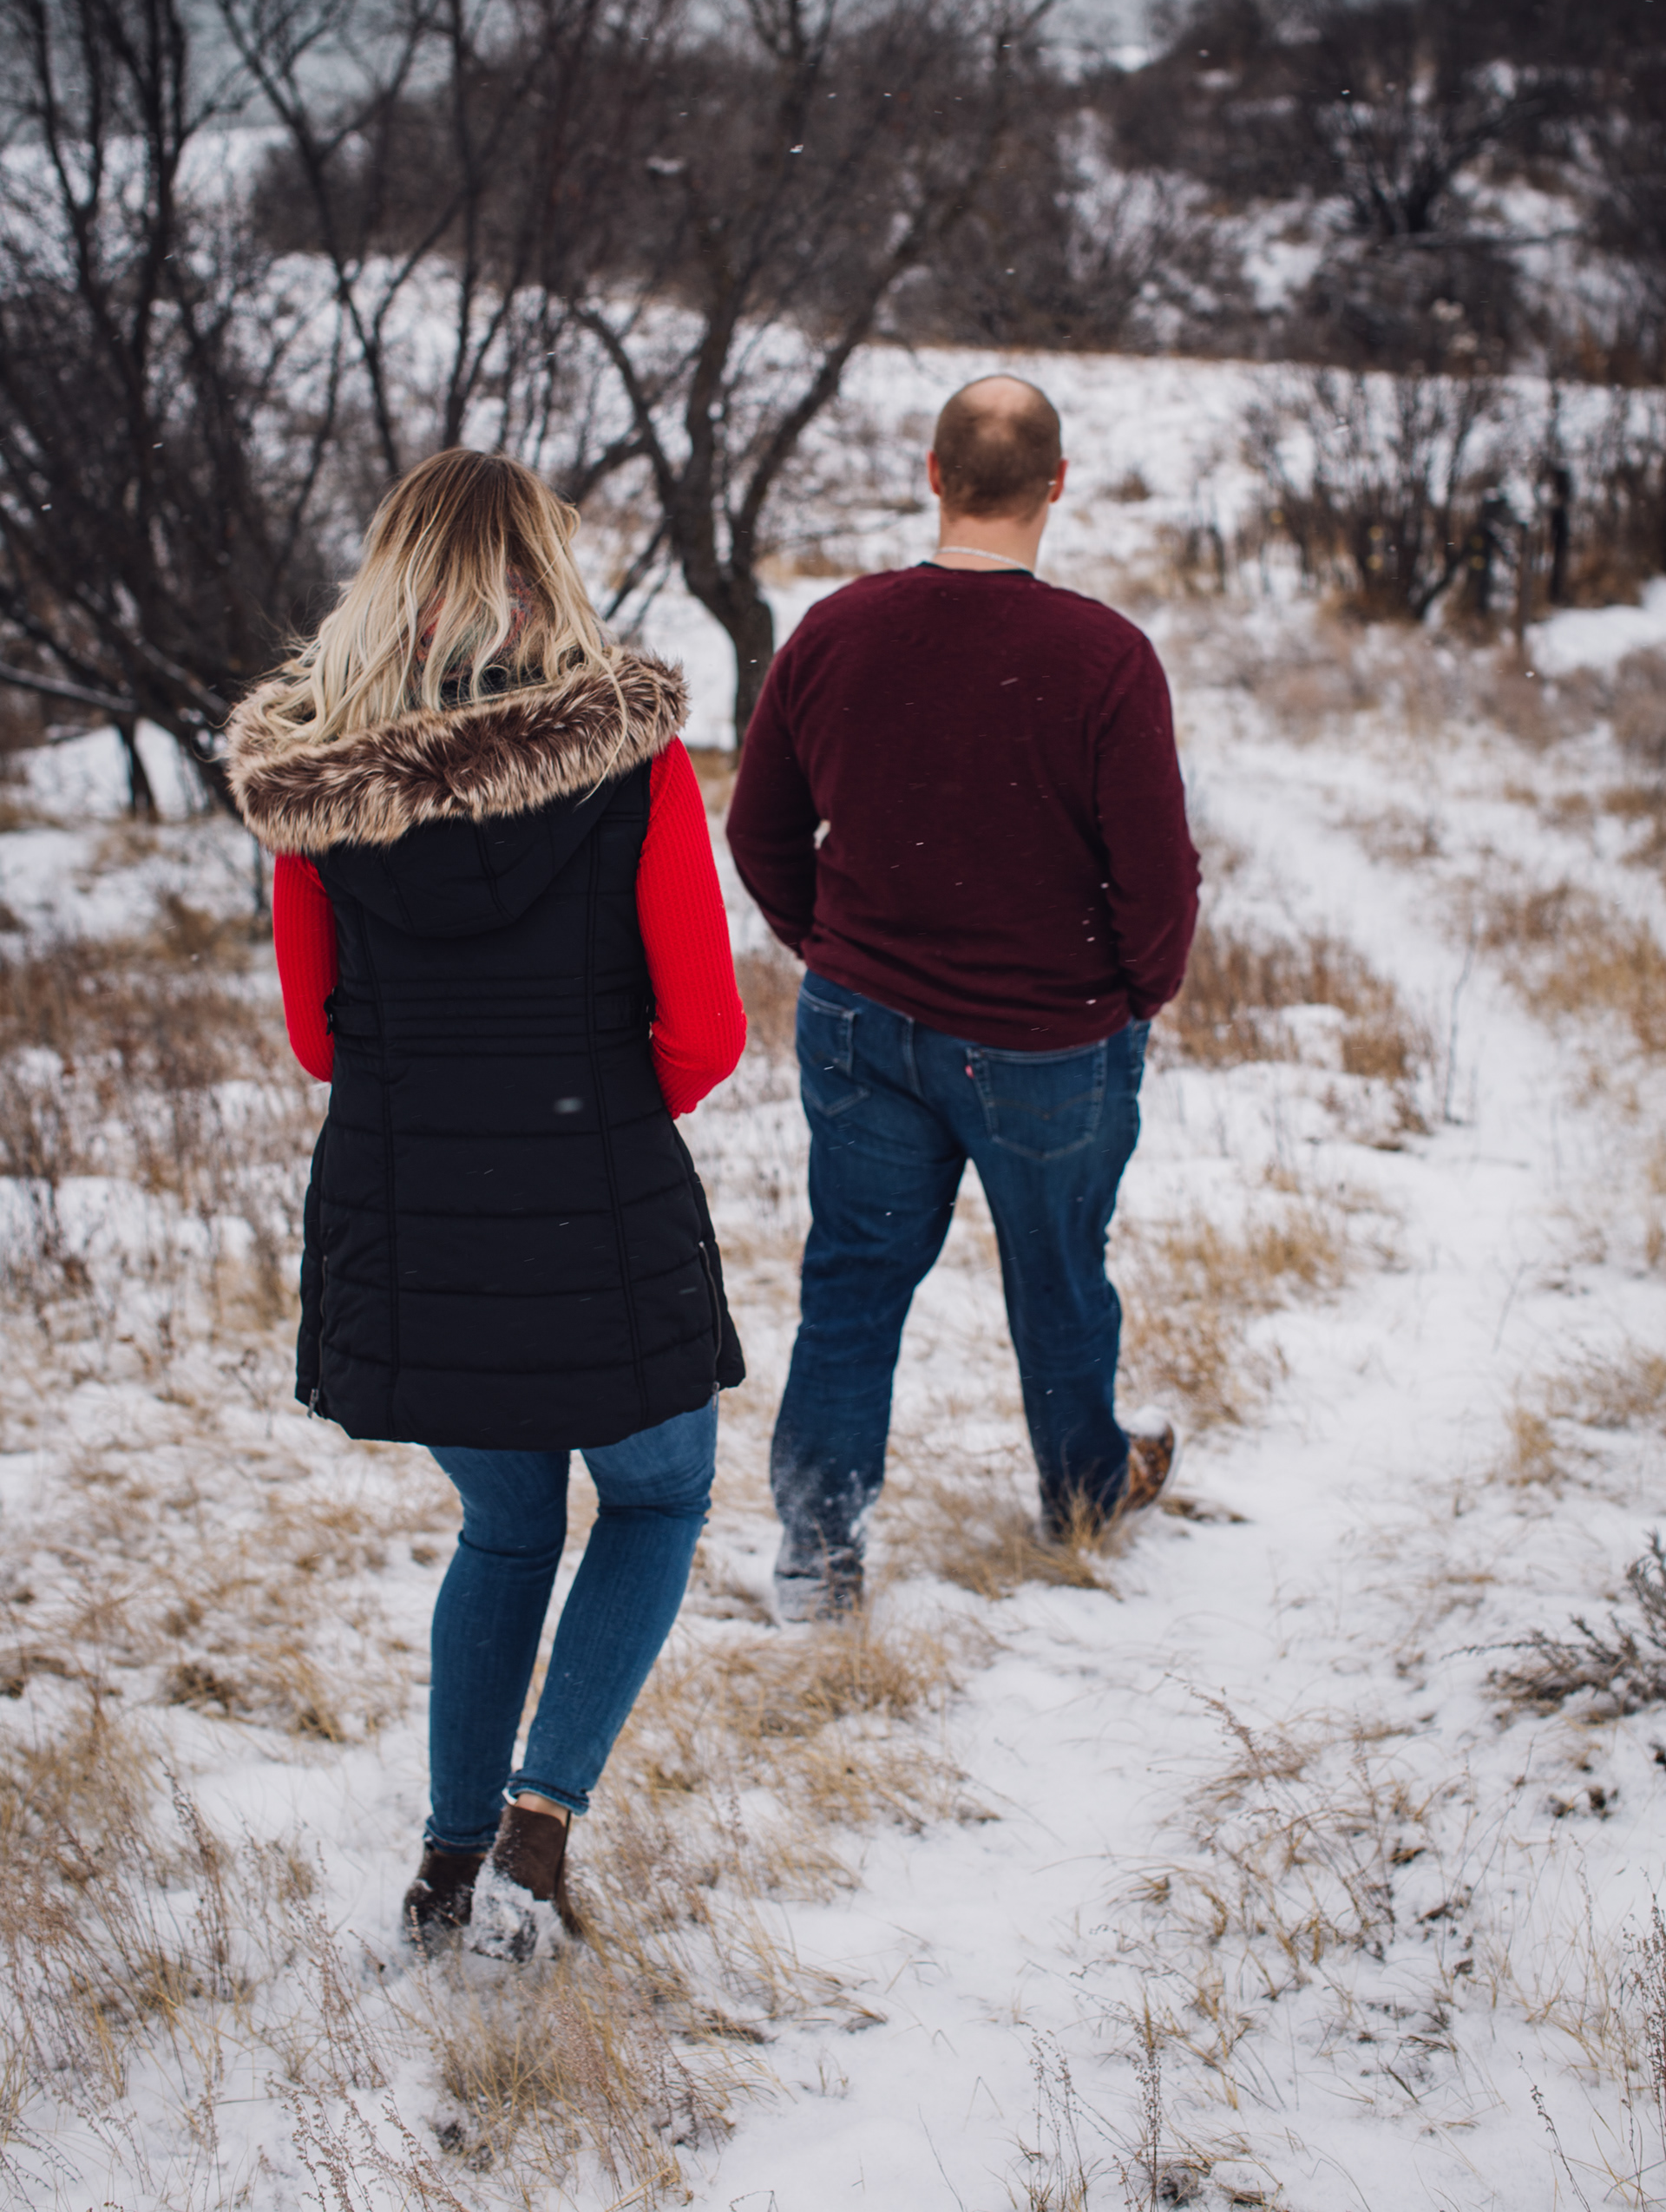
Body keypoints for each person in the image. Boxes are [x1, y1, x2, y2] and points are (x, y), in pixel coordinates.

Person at [227, 449, 746, 1957]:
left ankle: (450, 1862)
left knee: (508, 1526)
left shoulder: (321, 786)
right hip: (600, 1194)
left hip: (410, 1207)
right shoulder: (626, 756)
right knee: (658, 1494)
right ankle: (539, 1820)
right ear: (543, 572)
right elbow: (707, 1030)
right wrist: (595, 1102)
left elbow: (319, 1036)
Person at [726, 376, 1198, 1622]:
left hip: (862, 1024)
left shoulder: (835, 629)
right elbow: (1157, 879)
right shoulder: (1104, 659)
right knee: (1059, 1277)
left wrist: (836, 950)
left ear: (933, 475)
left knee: (852, 1285)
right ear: (1058, 484)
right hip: (1046, 1042)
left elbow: (760, 829)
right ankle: (1083, 1496)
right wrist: (1132, 995)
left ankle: (818, 1560)